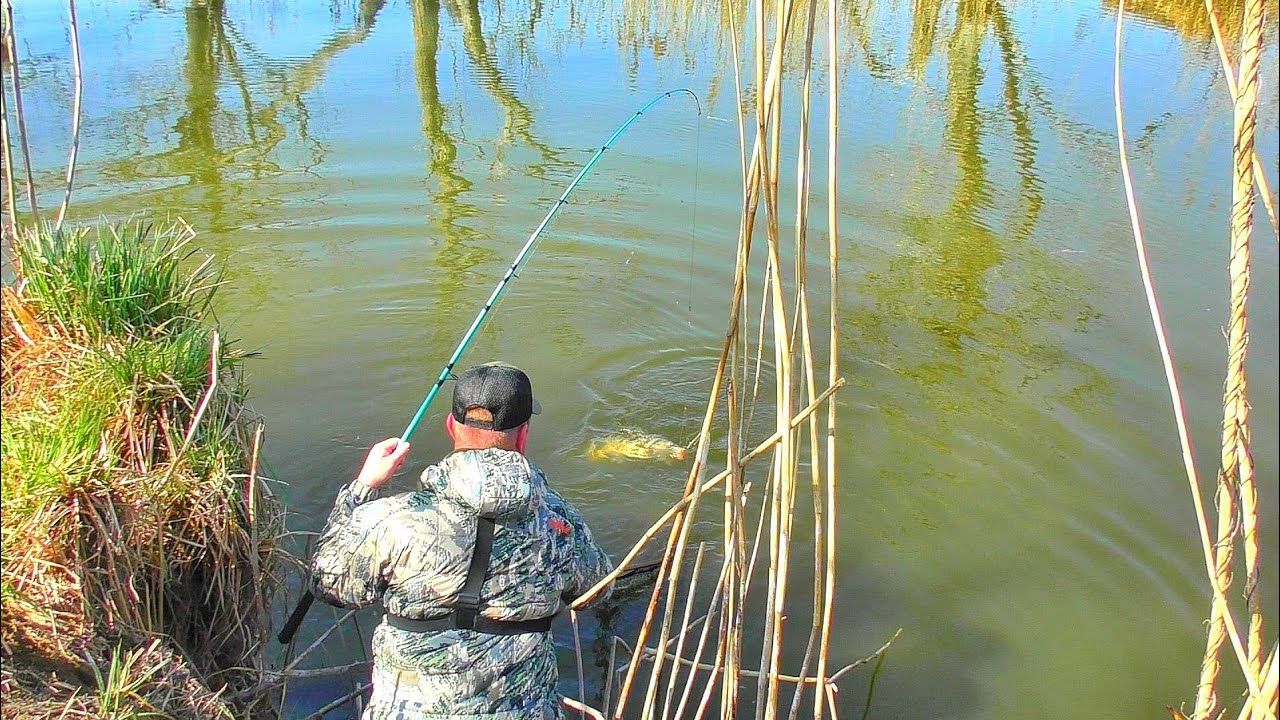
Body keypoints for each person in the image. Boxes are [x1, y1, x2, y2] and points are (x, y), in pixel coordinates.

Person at [310, 362, 613, 719]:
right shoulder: (561, 525)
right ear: (524, 434)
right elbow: (599, 590)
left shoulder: (394, 520)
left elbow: (328, 582)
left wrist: (363, 489)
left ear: (452, 426)